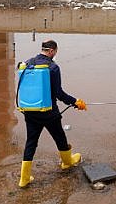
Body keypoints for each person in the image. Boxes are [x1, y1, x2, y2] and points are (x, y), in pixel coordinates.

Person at [17, 39, 87, 188]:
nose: (55, 55)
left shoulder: (27, 63)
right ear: (51, 51)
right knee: (60, 137)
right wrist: (76, 102)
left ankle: (24, 178)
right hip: (49, 113)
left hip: (29, 112)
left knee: (31, 142)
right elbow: (59, 93)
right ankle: (67, 163)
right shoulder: (53, 68)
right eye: (55, 52)